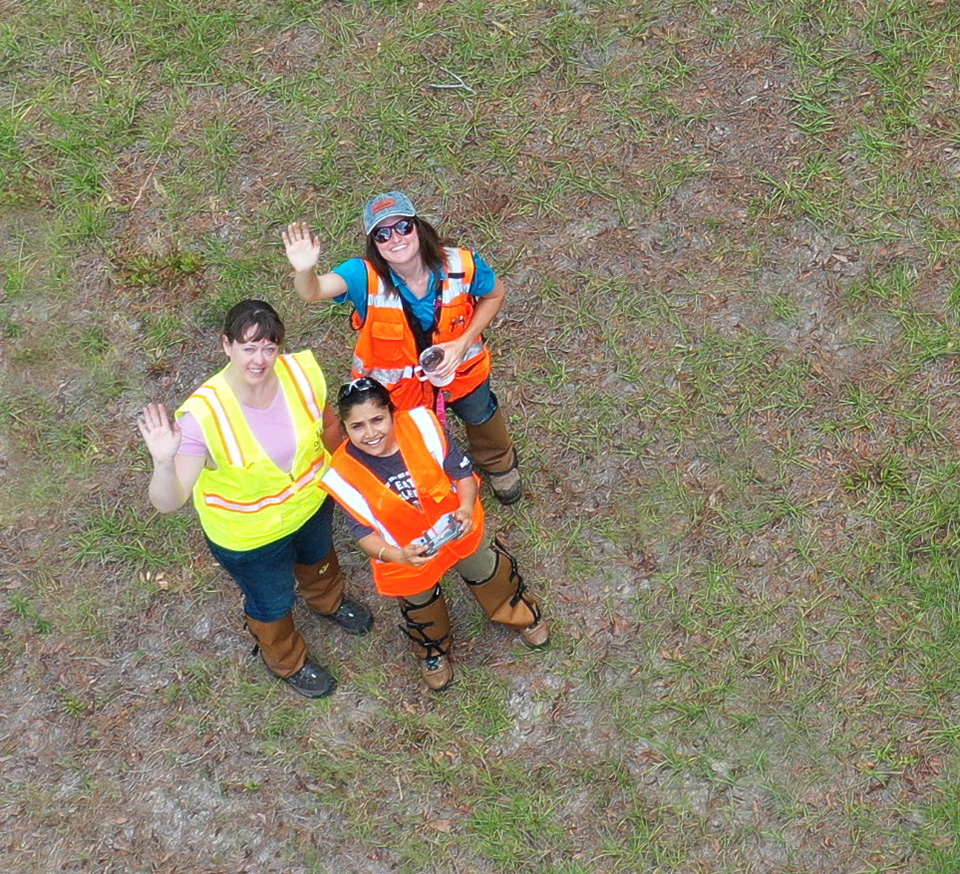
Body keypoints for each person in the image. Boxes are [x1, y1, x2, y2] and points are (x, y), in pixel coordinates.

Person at [137, 299, 373, 699]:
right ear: (227, 345)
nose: (260, 359)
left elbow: (329, 427)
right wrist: (163, 461)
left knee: (319, 560)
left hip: (311, 505)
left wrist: (353, 476)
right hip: (249, 537)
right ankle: (286, 660)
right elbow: (170, 499)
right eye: (248, 347)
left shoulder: (300, 373)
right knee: (273, 599)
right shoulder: (202, 416)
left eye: (269, 347)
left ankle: (329, 602)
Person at [282, 190, 523, 506]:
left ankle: (499, 462)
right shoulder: (362, 275)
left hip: (463, 372)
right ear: (375, 244)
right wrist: (304, 270)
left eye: (403, 227)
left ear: (418, 227)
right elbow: (313, 292)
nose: (395, 238)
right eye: (382, 234)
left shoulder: (461, 263)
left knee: (480, 413)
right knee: (415, 436)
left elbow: (494, 295)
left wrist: (463, 344)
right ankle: (436, 477)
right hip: (402, 389)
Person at [319, 376, 548, 692]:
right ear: (344, 430)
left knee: (490, 574)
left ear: (392, 413)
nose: (370, 433)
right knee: (420, 606)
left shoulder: (423, 426)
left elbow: (461, 472)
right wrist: (398, 555)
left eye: (377, 419)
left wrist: (466, 508)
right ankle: (433, 651)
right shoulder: (343, 473)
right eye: (357, 426)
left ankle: (520, 614)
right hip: (405, 554)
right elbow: (363, 532)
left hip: (458, 529)